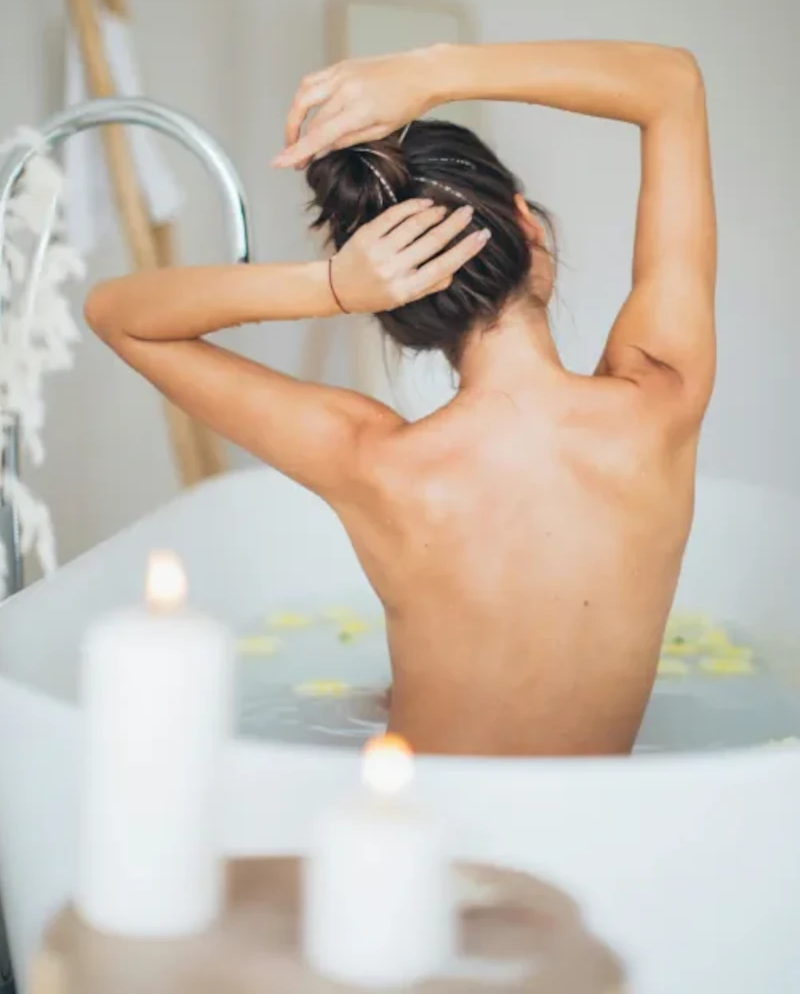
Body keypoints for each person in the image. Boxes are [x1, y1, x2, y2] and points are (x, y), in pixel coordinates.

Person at [85, 42, 716, 756]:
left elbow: (116, 315)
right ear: (528, 225)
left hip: (418, 813)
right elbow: (671, 85)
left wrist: (331, 286)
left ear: (393, 310)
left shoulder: (372, 462)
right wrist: (434, 73)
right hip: (594, 820)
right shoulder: (662, 396)